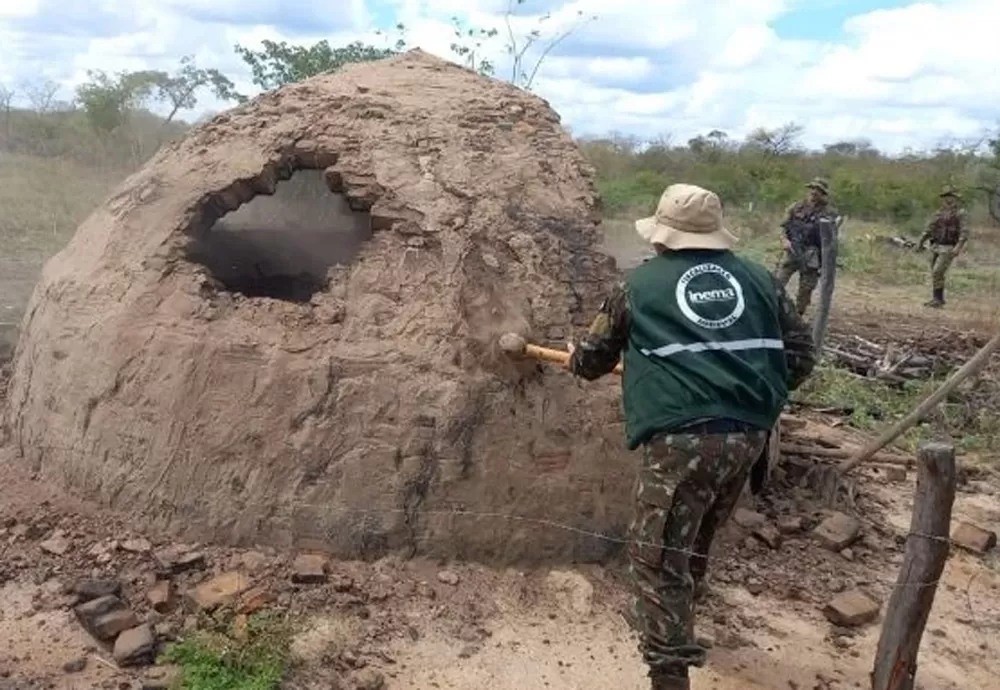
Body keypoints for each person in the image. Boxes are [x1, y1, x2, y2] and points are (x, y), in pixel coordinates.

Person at [566, 183, 815, 690]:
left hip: (683, 440)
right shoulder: (762, 279)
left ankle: (668, 670)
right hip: (749, 437)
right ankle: (678, 619)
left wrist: (577, 357)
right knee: (697, 536)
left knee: (656, 554)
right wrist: (752, 393)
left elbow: (592, 361)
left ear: (662, 236)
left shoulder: (637, 287)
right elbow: (801, 355)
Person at [773, 177, 839, 316]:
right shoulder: (796, 207)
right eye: (812, 188)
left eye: (818, 190)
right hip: (792, 249)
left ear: (823, 194)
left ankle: (797, 317)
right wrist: (784, 240)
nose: (814, 192)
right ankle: (772, 310)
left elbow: (830, 238)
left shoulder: (829, 213)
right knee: (777, 283)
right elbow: (783, 227)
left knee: (806, 289)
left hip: (812, 254)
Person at [917, 185, 968, 308]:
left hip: (949, 247)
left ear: (956, 198)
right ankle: (938, 299)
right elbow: (929, 229)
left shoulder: (960, 213)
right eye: (945, 197)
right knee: (935, 273)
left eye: (950, 196)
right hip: (935, 245)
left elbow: (964, 232)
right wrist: (920, 242)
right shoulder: (938, 213)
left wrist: (958, 247)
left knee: (937, 272)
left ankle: (938, 300)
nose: (947, 199)